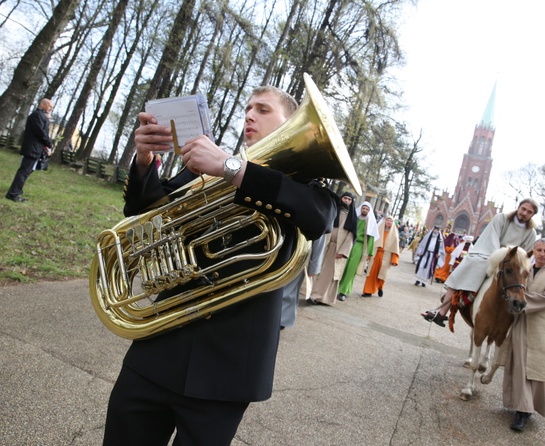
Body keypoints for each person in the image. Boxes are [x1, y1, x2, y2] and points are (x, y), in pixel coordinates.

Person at [102, 85, 338, 445]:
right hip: (159, 345)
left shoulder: (301, 183)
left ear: (292, 124)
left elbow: (319, 216)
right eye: (247, 108)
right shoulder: (208, 165)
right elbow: (144, 210)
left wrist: (232, 168)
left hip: (228, 370)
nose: (249, 115)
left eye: (262, 109)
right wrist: (145, 160)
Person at [421, 199, 539, 326]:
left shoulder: (530, 232)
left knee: (518, 282)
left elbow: (525, 253)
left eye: (529, 212)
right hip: (490, 254)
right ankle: (442, 312)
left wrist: (512, 260)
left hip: (511, 263)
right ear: (518, 207)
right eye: (523, 209)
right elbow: (492, 238)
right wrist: (499, 256)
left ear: (532, 215)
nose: (524, 213)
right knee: (469, 264)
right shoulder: (502, 219)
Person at [501, 238, 545, 432]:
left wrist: (519, 301)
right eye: (538, 250)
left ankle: (527, 410)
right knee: (520, 365)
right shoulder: (526, 270)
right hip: (523, 323)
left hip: (542, 327)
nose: (541, 254)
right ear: (533, 251)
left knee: (537, 367)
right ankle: (522, 408)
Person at [308, 192, 357, 306]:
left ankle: (321, 297)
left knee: (328, 274)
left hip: (337, 249)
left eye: (349, 199)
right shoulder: (334, 210)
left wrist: (343, 251)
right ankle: (310, 292)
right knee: (316, 268)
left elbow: (350, 236)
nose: (346, 201)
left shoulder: (352, 217)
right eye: (345, 198)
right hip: (325, 245)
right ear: (341, 198)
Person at [5, 98, 54, 202]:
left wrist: (46, 145)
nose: (51, 109)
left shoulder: (40, 116)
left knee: (27, 171)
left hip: (36, 148)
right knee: (24, 171)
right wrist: (49, 143)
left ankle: (17, 190)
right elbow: (40, 132)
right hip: (32, 148)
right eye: (50, 106)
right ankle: (13, 193)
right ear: (43, 104)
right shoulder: (37, 115)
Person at [280, 233, 326, 328]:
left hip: (300, 250)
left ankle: (282, 319)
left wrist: (314, 267)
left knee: (289, 289)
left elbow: (320, 233)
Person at [336, 201, 379, 301]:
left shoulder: (370, 222)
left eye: (367, 209)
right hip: (349, 243)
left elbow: (371, 238)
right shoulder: (355, 218)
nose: (365, 210)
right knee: (343, 266)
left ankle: (344, 291)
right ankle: (336, 287)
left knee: (351, 269)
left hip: (360, 246)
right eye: (363, 208)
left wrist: (370, 253)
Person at [361, 216, 400, 297]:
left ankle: (380, 287)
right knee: (371, 273)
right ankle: (368, 291)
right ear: (384, 221)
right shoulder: (378, 231)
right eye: (387, 220)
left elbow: (395, 248)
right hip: (376, 254)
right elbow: (372, 243)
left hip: (386, 256)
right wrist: (369, 254)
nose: (389, 222)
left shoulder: (394, 234)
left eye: (391, 221)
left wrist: (394, 260)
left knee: (382, 274)